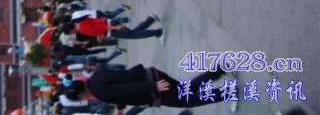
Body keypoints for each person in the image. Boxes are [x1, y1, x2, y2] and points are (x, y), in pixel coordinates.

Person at [63, 65, 229, 111]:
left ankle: (228, 92)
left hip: (154, 89)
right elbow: (118, 82)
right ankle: (220, 70)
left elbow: (127, 89)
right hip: (151, 73)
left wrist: (153, 87)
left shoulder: (99, 93)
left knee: (190, 100)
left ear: (80, 96)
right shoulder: (95, 77)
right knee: (188, 88)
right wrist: (119, 108)